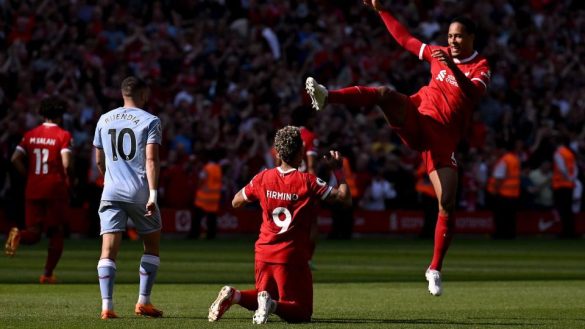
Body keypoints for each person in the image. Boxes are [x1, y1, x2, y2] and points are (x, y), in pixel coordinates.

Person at [305, 0, 490, 296]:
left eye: (459, 36)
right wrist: (382, 10)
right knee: (384, 94)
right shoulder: (436, 54)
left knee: (447, 205)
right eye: (450, 35)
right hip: (417, 115)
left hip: (442, 138)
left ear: (471, 38)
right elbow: (405, 39)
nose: (453, 41)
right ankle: (327, 96)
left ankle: (434, 268)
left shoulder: (480, 67)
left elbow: (472, 93)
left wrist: (452, 67)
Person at [208, 126, 351, 324]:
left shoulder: (262, 177)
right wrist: (338, 170)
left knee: (262, 294)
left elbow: (235, 202)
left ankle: (235, 295)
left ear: (277, 152)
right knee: (301, 312)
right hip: (291, 256)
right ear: (301, 152)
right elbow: (344, 199)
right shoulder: (307, 181)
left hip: (264, 253)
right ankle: (272, 306)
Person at [93, 76, 163, 319]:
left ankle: (107, 307)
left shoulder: (104, 119)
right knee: (151, 247)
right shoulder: (151, 120)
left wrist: (109, 179)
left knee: (108, 250)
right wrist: (153, 194)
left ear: (123, 94)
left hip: (110, 191)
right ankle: (143, 301)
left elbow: (99, 160)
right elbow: (151, 160)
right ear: (143, 94)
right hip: (140, 192)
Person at [4, 97, 73, 284]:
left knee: (34, 233)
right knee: (56, 232)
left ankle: (18, 233)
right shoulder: (63, 135)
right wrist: (69, 177)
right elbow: (66, 163)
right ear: (60, 115)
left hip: (33, 188)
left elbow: (14, 158)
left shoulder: (30, 134)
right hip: (55, 188)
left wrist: (28, 175)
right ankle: (47, 274)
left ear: (42, 113)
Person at [487, 142, 521, 239]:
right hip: (514, 193)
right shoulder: (515, 159)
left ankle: (500, 234)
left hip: (503, 193)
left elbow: (499, 177)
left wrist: (494, 191)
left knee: (501, 217)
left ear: (503, 149)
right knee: (511, 217)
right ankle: (511, 234)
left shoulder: (504, 160)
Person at [189, 151, 222, 239]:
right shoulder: (218, 168)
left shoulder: (207, 168)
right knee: (211, 219)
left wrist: (197, 187)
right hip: (214, 198)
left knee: (197, 218)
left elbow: (201, 180)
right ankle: (211, 235)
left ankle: (194, 234)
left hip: (203, 198)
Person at [552, 140, 578, 238]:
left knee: (562, 209)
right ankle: (571, 231)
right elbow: (575, 168)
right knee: (568, 209)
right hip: (569, 185)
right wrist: (572, 178)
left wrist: (567, 177)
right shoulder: (570, 153)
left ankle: (565, 232)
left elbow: (561, 167)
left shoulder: (558, 153)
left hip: (560, 185)